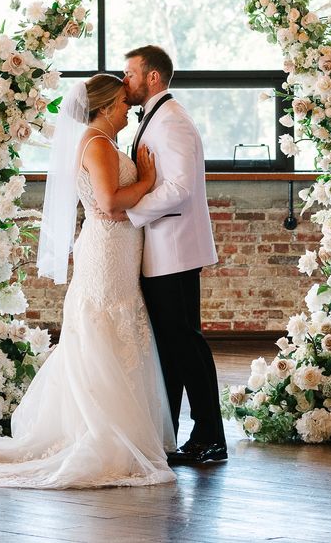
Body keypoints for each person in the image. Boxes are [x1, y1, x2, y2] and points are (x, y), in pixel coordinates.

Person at [0, 75, 176, 489]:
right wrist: (148, 181)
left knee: (118, 331)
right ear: (106, 106)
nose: (128, 108)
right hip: (106, 251)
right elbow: (110, 200)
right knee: (106, 329)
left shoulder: (105, 143)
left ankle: (122, 430)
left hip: (117, 247)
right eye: (122, 104)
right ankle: (103, 433)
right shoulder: (97, 143)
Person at [123, 45, 227, 465]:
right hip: (165, 247)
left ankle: (210, 437)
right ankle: (177, 435)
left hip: (174, 249)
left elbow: (180, 188)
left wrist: (131, 211)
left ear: (152, 77)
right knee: (174, 345)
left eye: (129, 73)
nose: (123, 80)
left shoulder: (172, 122)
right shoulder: (157, 117)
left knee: (186, 344)